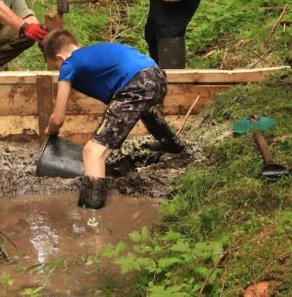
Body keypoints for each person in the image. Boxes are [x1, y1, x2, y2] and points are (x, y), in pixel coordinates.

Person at [42, 29, 185, 210]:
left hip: (135, 84)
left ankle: (91, 214)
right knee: (145, 110)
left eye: (55, 67)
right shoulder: (96, 52)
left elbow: (58, 117)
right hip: (157, 75)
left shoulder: (69, 64)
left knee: (92, 152)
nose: (59, 71)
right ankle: (174, 147)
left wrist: (50, 131)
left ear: (60, 59)